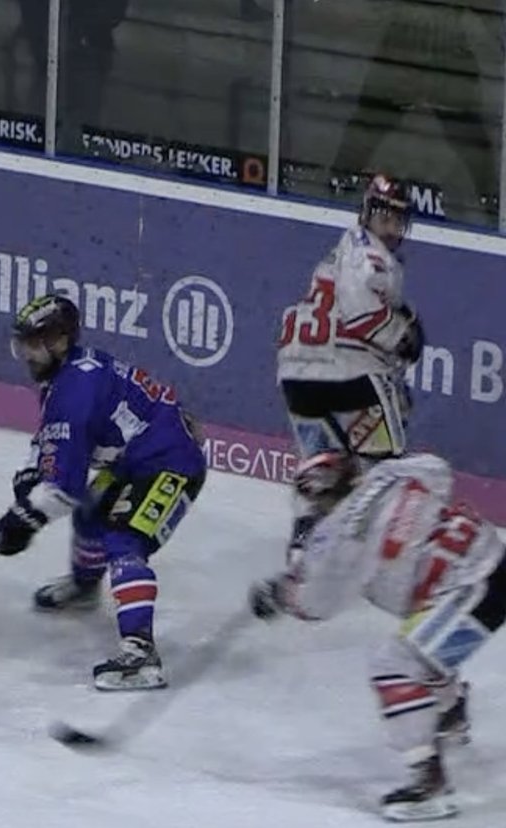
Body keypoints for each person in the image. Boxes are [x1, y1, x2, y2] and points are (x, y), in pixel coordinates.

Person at [249, 451, 503, 822]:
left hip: (470, 592)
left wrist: (279, 594)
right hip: (490, 557)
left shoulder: (340, 538)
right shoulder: (394, 472)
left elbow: (318, 603)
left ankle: (429, 783)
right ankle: (449, 711)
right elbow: (439, 467)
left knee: (394, 665)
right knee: (421, 644)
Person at [0, 293, 207, 691]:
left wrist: (23, 518)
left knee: (125, 540)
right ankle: (86, 587)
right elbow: (50, 440)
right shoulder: (68, 374)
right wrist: (28, 478)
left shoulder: (74, 391)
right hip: (135, 459)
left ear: (60, 341)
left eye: (34, 344)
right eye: (23, 345)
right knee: (90, 513)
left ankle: (141, 654)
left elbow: (64, 488)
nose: (27, 356)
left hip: (171, 464)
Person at [276, 173, 425, 555]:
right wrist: (402, 334)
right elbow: (361, 312)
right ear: (367, 213)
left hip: (295, 375)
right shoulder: (369, 256)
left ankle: (306, 547)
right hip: (347, 371)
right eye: (384, 217)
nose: (390, 227)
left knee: (322, 468)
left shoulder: (340, 251)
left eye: (397, 220)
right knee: (385, 465)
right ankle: (383, 551)